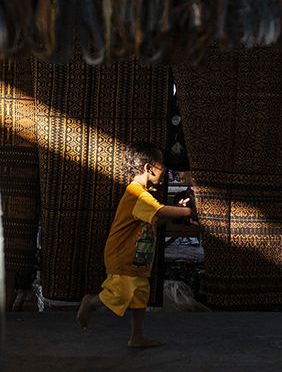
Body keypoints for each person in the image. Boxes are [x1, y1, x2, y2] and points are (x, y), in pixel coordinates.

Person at [76, 142, 195, 348]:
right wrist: (190, 212)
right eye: (162, 166)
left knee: (140, 297)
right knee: (121, 294)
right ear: (149, 168)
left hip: (138, 259)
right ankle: (91, 302)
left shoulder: (143, 195)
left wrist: (176, 209)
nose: (165, 170)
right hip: (123, 256)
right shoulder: (137, 194)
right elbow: (158, 212)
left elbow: (156, 218)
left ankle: (136, 337)